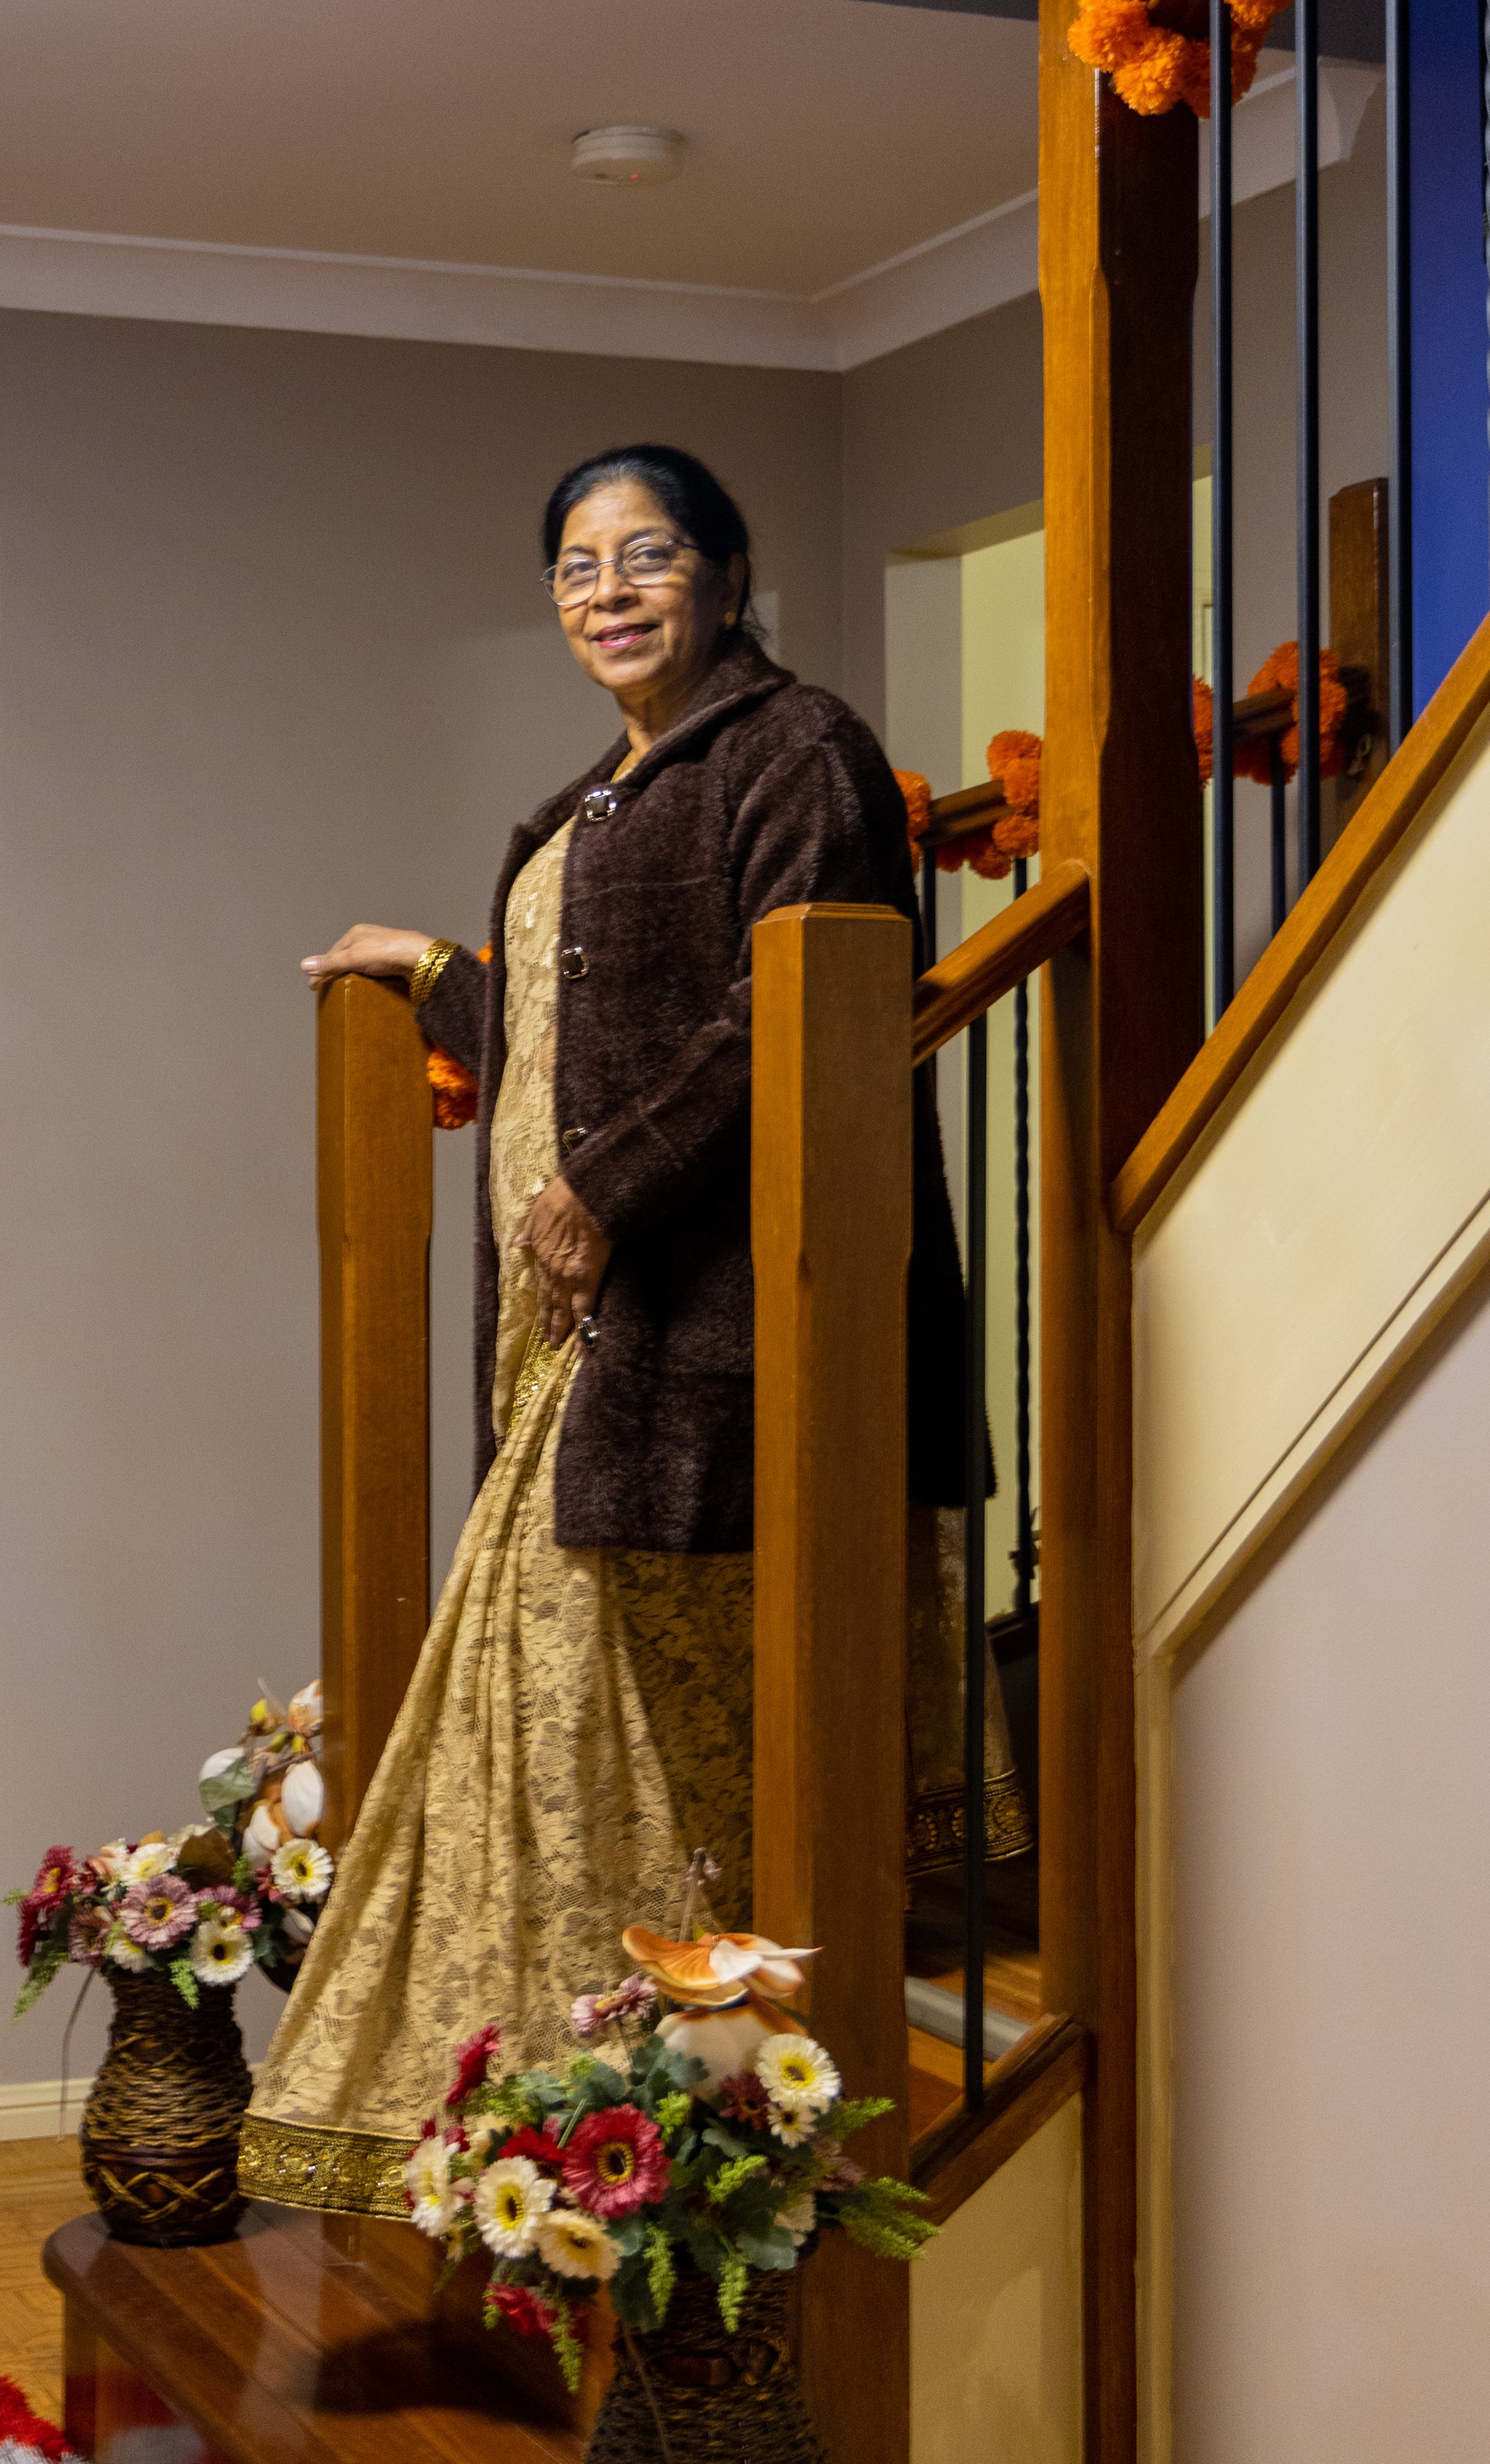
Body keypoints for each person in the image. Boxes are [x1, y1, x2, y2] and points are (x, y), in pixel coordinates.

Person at [238, 444, 1028, 2220]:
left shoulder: (794, 750)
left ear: (725, 575)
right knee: (551, 1733)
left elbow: (783, 1015)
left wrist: (602, 1189)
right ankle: (559, 2137)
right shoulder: (585, 802)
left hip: (710, 1341)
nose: (605, 591)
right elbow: (574, 1036)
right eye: (575, 567)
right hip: (572, 1349)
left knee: (641, 1745)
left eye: (645, 555)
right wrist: (435, 973)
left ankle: (663, 2147)